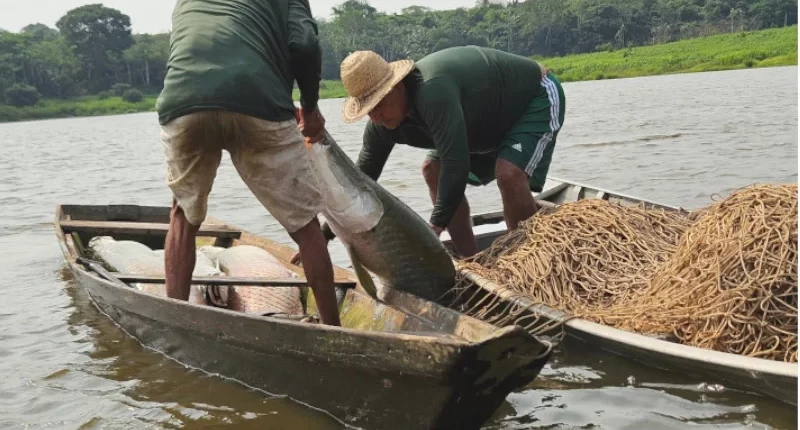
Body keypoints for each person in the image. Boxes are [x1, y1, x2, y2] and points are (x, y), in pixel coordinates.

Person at [154, 0, 341, 326]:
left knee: (183, 216)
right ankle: (334, 331)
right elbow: (305, 43)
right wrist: (309, 107)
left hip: (185, 100)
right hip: (258, 99)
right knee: (306, 227)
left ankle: (176, 326)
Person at [330, 46, 566, 258]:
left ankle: (531, 260)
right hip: (479, 125)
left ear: (397, 86)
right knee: (432, 170)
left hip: (532, 98)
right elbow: (360, 182)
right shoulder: (380, 127)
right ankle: (473, 262)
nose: (377, 117)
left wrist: (435, 227)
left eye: (379, 104)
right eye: (369, 110)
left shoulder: (433, 92)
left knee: (510, 174)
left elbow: (456, 165)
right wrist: (327, 231)